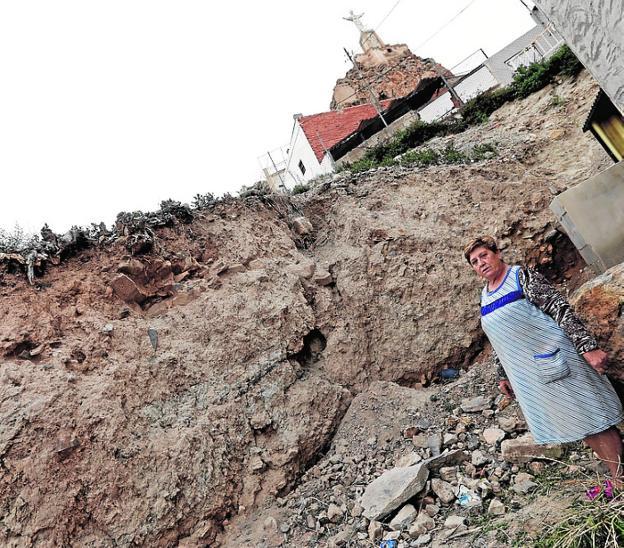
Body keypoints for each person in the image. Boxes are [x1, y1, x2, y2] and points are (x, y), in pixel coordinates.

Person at [464, 235, 624, 486]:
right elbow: (499, 338)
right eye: (474, 261)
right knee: (581, 421)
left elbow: (560, 308)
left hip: (561, 359)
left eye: (484, 255)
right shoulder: (485, 297)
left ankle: (619, 477)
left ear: (497, 253)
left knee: (595, 415)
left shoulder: (521, 277)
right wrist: (502, 374)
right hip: (531, 374)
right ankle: (616, 477)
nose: (481, 263)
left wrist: (588, 347)